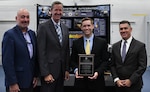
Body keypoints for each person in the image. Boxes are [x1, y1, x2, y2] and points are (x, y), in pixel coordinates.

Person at [2, 8, 39, 92]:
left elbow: (34, 57)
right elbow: (7, 62)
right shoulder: (9, 35)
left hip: (30, 81)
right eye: (22, 17)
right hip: (16, 83)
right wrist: (12, 83)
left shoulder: (32, 34)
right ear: (16, 18)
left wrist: (35, 75)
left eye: (27, 17)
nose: (25, 20)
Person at [36, 1, 70, 92]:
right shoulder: (43, 27)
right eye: (56, 10)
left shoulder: (65, 28)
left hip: (61, 72)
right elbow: (40, 52)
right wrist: (45, 73)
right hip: (49, 72)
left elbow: (66, 50)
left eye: (60, 10)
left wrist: (67, 69)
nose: (58, 12)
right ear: (51, 11)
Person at [71, 17, 109, 92]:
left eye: (88, 25)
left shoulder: (102, 42)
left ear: (93, 26)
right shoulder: (76, 43)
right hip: (80, 82)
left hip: (97, 82)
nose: (86, 28)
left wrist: (97, 72)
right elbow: (72, 61)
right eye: (84, 26)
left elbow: (105, 61)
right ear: (81, 28)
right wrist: (76, 71)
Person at [110, 20, 147, 92]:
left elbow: (142, 66)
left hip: (134, 85)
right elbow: (112, 65)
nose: (123, 31)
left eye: (125, 28)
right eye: (121, 29)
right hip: (119, 85)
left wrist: (131, 80)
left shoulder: (140, 46)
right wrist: (116, 79)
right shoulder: (115, 46)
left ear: (131, 29)